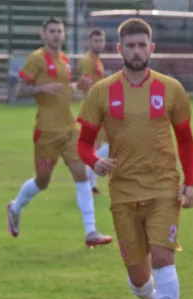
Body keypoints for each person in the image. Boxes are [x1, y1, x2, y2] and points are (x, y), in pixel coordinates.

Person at [76, 17, 193, 299]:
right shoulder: (102, 91)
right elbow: (84, 143)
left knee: (163, 258)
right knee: (138, 278)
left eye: (142, 44)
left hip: (163, 187)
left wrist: (190, 182)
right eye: (130, 45)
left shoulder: (171, 88)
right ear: (120, 50)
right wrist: (94, 162)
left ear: (151, 48)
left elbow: (186, 140)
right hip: (124, 191)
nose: (137, 51)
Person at [6, 17, 112, 247]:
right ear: (43, 35)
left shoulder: (64, 60)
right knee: (42, 181)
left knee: (82, 176)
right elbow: (19, 91)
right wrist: (41, 88)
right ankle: (15, 208)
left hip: (69, 128)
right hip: (46, 131)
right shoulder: (36, 59)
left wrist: (77, 88)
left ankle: (91, 232)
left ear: (64, 35)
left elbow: (63, 92)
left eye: (59, 31)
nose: (56, 35)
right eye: (52, 31)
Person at [77, 28, 109, 194]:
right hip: (93, 109)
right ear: (88, 43)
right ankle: (88, 176)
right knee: (110, 141)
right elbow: (87, 84)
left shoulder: (97, 61)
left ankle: (91, 183)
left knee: (98, 145)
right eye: (96, 40)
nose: (99, 43)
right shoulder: (88, 61)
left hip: (98, 107)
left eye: (101, 40)